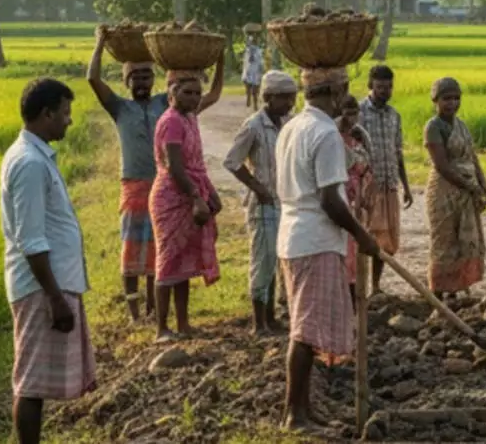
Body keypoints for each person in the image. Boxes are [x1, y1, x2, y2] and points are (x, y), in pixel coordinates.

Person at [86, 27, 221, 322]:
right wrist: (99, 43)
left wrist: (219, 58)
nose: (142, 82)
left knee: (160, 248)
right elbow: (93, 79)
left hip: (170, 187)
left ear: (155, 80)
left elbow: (211, 95)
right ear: (126, 81)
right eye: (135, 78)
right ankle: (135, 313)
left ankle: (152, 309)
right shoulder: (120, 108)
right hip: (135, 185)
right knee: (133, 248)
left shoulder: (167, 104)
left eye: (146, 76)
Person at [276, 67, 382, 433]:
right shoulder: (325, 134)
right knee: (305, 332)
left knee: (305, 326)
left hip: (294, 235)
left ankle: (305, 409)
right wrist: (361, 235)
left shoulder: (293, 127)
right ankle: (295, 416)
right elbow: (331, 201)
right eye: (344, 90)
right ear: (335, 91)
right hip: (316, 239)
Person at [1, 79, 95, 444]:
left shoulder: (35, 156)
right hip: (41, 289)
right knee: (31, 383)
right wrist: (55, 298)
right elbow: (32, 239)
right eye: (66, 113)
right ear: (47, 114)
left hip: (48, 284)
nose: (69, 122)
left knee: (34, 381)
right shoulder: (29, 164)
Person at [150, 63, 226, 341]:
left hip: (191, 191)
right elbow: (175, 167)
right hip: (172, 196)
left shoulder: (189, 117)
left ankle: (183, 323)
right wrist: (196, 197)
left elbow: (197, 165)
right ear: (172, 95)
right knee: (168, 261)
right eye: (188, 93)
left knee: (183, 266)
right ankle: (161, 328)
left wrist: (211, 193)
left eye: (197, 93)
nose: (194, 98)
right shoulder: (170, 121)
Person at [223, 69, 297, 336]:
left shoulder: (288, 123)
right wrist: (257, 187)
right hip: (263, 204)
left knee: (277, 259)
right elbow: (232, 161)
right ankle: (259, 322)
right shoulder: (254, 125)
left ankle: (271, 318)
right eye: (284, 98)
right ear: (268, 97)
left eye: (291, 98)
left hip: (283, 202)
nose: (289, 104)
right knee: (262, 261)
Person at [424, 77, 486, 297]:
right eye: (447, 99)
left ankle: (455, 292)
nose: (452, 103)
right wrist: (469, 187)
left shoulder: (461, 126)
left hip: (466, 189)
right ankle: (438, 294)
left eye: (456, 98)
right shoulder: (433, 127)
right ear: (436, 100)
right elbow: (442, 166)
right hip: (444, 192)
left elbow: (473, 160)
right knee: (444, 243)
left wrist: (485, 191)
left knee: (463, 242)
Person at [358, 64, 411, 296]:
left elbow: (397, 152)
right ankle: (360, 287)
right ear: (371, 86)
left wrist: (406, 186)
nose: (385, 91)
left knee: (387, 238)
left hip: (390, 185)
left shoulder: (394, 116)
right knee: (366, 235)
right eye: (380, 87)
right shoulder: (359, 113)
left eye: (389, 87)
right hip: (368, 187)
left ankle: (376, 286)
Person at [336, 94, 375, 303]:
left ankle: (358, 296)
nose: (350, 117)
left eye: (354, 113)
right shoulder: (332, 135)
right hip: (342, 199)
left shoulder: (360, 135)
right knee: (346, 251)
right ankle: (346, 298)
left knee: (358, 252)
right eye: (347, 112)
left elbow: (370, 164)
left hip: (359, 197)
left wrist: (367, 192)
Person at [241, 34, 265, 110]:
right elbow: (245, 61)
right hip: (248, 70)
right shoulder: (247, 51)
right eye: (250, 41)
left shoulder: (259, 51)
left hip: (255, 71)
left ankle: (255, 104)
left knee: (255, 90)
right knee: (248, 88)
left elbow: (261, 62)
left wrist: (261, 70)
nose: (251, 43)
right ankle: (248, 98)